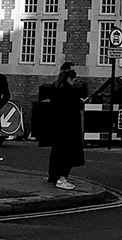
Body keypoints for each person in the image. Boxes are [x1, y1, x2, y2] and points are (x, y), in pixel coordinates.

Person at [47, 62, 86, 190]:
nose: (75, 82)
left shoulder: (57, 87)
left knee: (57, 153)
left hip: (58, 127)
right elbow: (72, 108)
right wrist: (80, 102)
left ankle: (54, 176)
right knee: (67, 155)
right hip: (69, 129)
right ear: (69, 78)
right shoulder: (69, 91)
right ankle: (62, 179)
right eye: (74, 80)